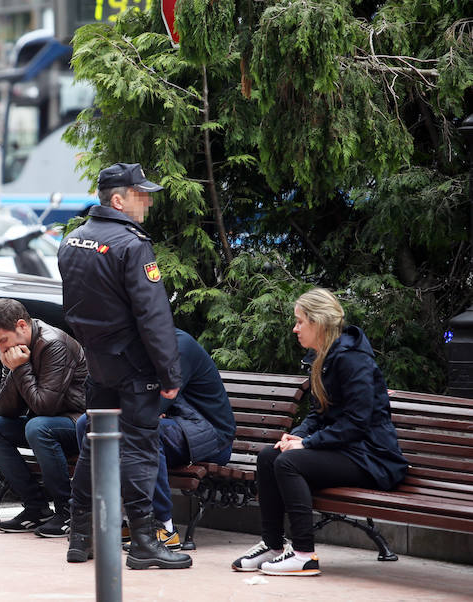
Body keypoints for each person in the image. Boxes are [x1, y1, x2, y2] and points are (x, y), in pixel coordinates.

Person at [58, 162, 192, 570]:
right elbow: (154, 317)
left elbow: (75, 306)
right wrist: (169, 374)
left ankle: (80, 539)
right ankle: (145, 543)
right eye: (140, 194)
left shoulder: (72, 241)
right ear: (118, 199)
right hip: (134, 367)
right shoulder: (132, 245)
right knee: (140, 450)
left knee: (94, 447)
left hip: (98, 362)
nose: (147, 201)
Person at [231, 288, 407, 576]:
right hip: (346, 450)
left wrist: (308, 443)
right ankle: (273, 545)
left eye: (300, 321)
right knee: (269, 456)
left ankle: (303, 554)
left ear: (318, 322)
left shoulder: (353, 360)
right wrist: (297, 436)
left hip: (373, 457)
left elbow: (357, 422)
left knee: (288, 462)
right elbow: (317, 414)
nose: (295, 328)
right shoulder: (322, 357)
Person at [74, 328, 235, 550]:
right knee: (88, 423)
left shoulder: (179, 347)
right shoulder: (130, 350)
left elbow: (157, 404)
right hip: (174, 425)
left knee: (145, 432)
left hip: (210, 435)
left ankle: (163, 526)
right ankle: (114, 518)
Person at [0, 298, 87, 537]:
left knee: (38, 427)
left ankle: (68, 511)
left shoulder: (53, 345)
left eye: (4, 341)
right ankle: (36, 507)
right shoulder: (17, 351)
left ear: (22, 326)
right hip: (45, 424)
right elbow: (5, 411)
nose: (3, 350)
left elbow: (45, 407)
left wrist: (19, 369)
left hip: (77, 424)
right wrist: (14, 369)